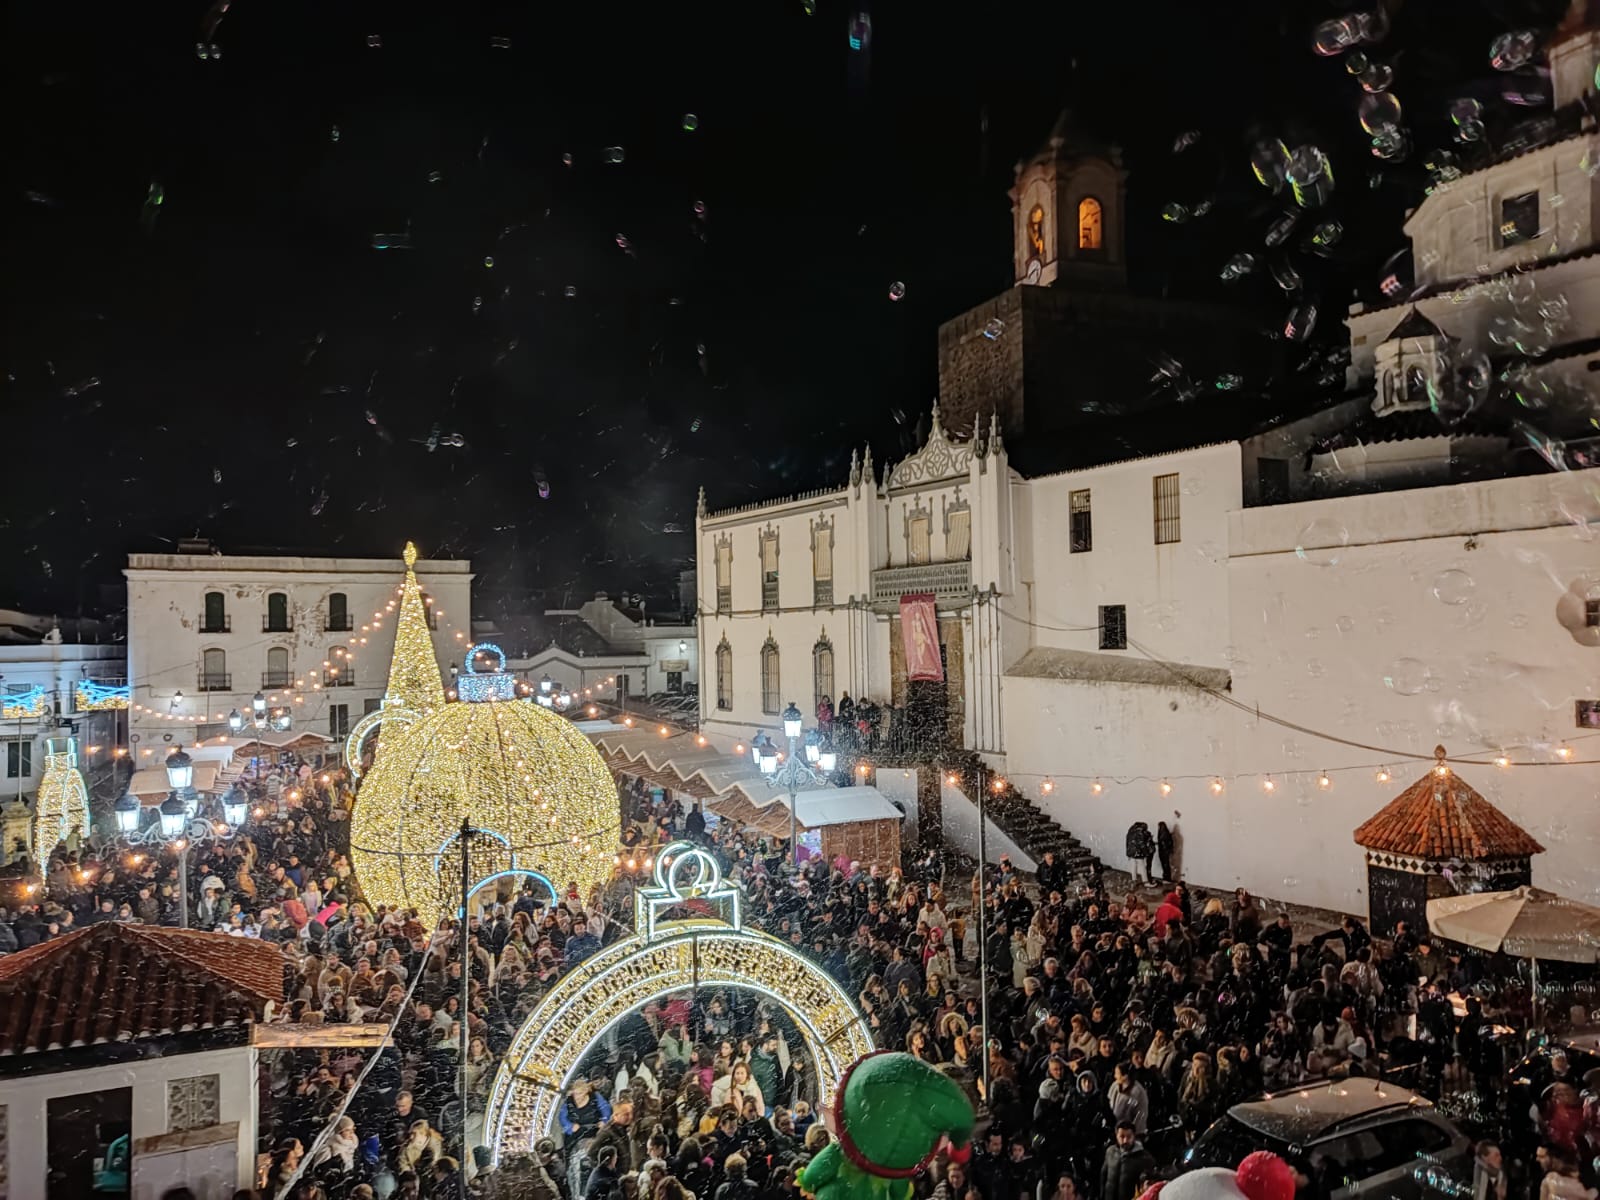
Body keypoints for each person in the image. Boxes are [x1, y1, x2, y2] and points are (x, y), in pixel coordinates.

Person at [1100, 1122, 1155, 1200]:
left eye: (1129, 1136)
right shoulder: (1110, 1151)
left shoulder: (1145, 1158)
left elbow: (1150, 1186)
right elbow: (1103, 1176)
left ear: (1134, 1136)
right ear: (1116, 1136)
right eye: (1122, 1136)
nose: (1125, 1140)